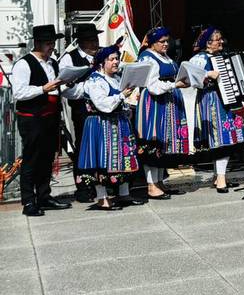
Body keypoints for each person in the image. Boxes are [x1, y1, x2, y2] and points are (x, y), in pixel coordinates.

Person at [11, 25, 71, 216]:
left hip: (50, 116)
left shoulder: (52, 63)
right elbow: (19, 93)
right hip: (32, 117)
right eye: (48, 43)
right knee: (31, 159)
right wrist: (43, 88)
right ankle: (29, 201)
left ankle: (44, 196)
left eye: (53, 43)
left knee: (47, 157)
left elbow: (56, 88)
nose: (51, 46)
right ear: (37, 43)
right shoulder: (24, 64)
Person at [76, 41, 143, 209]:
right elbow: (103, 105)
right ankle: (102, 198)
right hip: (100, 124)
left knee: (123, 158)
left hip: (118, 123)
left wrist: (127, 106)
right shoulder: (95, 81)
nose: (116, 62)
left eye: (117, 59)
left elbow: (121, 101)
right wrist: (121, 96)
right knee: (101, 160)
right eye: (112, 59)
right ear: (102, 62)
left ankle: (124, 194)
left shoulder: (116, 78)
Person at [188, 27, 244, 192]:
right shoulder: (199, 58)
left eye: (221, 39)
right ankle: (221, 178)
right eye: (217, 40)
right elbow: (191, 79)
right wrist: (207, 74)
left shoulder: (222, 56)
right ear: (208, 43)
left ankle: (218, 176)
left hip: (227, 101)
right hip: (212, 100)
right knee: (220, 139)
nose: (221, 42)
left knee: (227, 137)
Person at [136, 27, 190, 200]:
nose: (166, 44)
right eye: (162, 41)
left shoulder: (165, 56)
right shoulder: (147, 58)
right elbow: (152, 86)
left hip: (167, 103)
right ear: (153, 43)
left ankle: (159, 182)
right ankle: (151, 185)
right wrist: (175, 85)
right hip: (154, 104)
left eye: (168, 41)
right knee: (153, 142)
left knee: (163, 144)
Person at [61, 22, 101, 203]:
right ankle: (84, 186)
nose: (95, 44)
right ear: (81, 42)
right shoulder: (69, 58)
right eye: (90, 41)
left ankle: (103, 184)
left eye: (96, 39)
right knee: (84, 147)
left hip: (104, 109)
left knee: (102, 145)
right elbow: (65, 88)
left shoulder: (102, 56)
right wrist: (88, 88)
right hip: (82, 109)